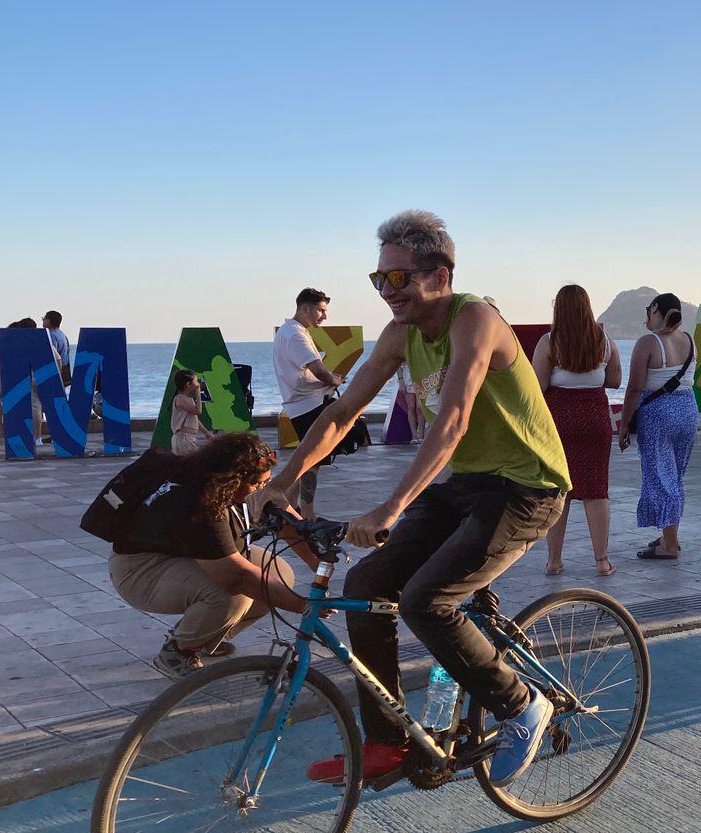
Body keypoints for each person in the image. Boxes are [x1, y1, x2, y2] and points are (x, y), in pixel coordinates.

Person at [254, 209, 569, 787]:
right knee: (366, 585)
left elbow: (451, 420)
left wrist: (391, 507)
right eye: (379, 280)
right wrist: (281, 481)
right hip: (469, 484)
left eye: (397, 279)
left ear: (440, 276)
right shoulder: (400, 335)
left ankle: (522, 704)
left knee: (428, 600)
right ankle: (387, 743)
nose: (386, 293)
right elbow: (343, 411)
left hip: (528, 486)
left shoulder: (474, 319)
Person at [107, 433, 312, 678]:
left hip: (184, 554)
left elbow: (286, 523)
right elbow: (236, 577)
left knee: (277, 574)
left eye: (266, 482)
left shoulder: (230, 486)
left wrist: (320, 563)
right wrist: (305, 607)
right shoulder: (199, 503)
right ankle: (178, 651)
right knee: (234, 594)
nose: (262, 488)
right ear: (231, 480)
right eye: (257, 483)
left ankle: (206, 637)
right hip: (141, 569)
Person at [534, 284, 622, 576]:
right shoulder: (604, 340)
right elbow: (615, 380)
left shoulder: (549, 342)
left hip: (560, 418)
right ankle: (601, 561)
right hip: (595, 416)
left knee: (559, 489)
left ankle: (554, 561)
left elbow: (538, 387)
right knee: (597, 490)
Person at [620, 293, 698, 560]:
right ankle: (669, 535)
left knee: (661, 478)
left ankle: (670, 545)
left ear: (654, 309)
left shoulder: (647, 343)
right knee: (674, 477)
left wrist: (623, 426)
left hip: (658, 415)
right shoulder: (689, 339)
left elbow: (634, 389)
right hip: (688, 409)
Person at [273, 288, 345, 519]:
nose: (324, 316)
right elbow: (317, 368)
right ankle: (308, 512)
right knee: (312, 460)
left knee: (310, 459)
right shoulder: (295, 335)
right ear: (306, 308)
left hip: (302, 403)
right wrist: (333, 379)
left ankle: (289, 502)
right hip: (308, 405)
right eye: (321, 310)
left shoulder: (289, 331)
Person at [169, 370, 211, 454]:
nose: (198, 384)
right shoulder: (180, 399)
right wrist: (198, 392)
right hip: (183, 438)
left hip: (188, 438)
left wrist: (206, 432)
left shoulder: (188, 399)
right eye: (196, 381)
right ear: (188, 384)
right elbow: (198, 411)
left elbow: (195, 418)